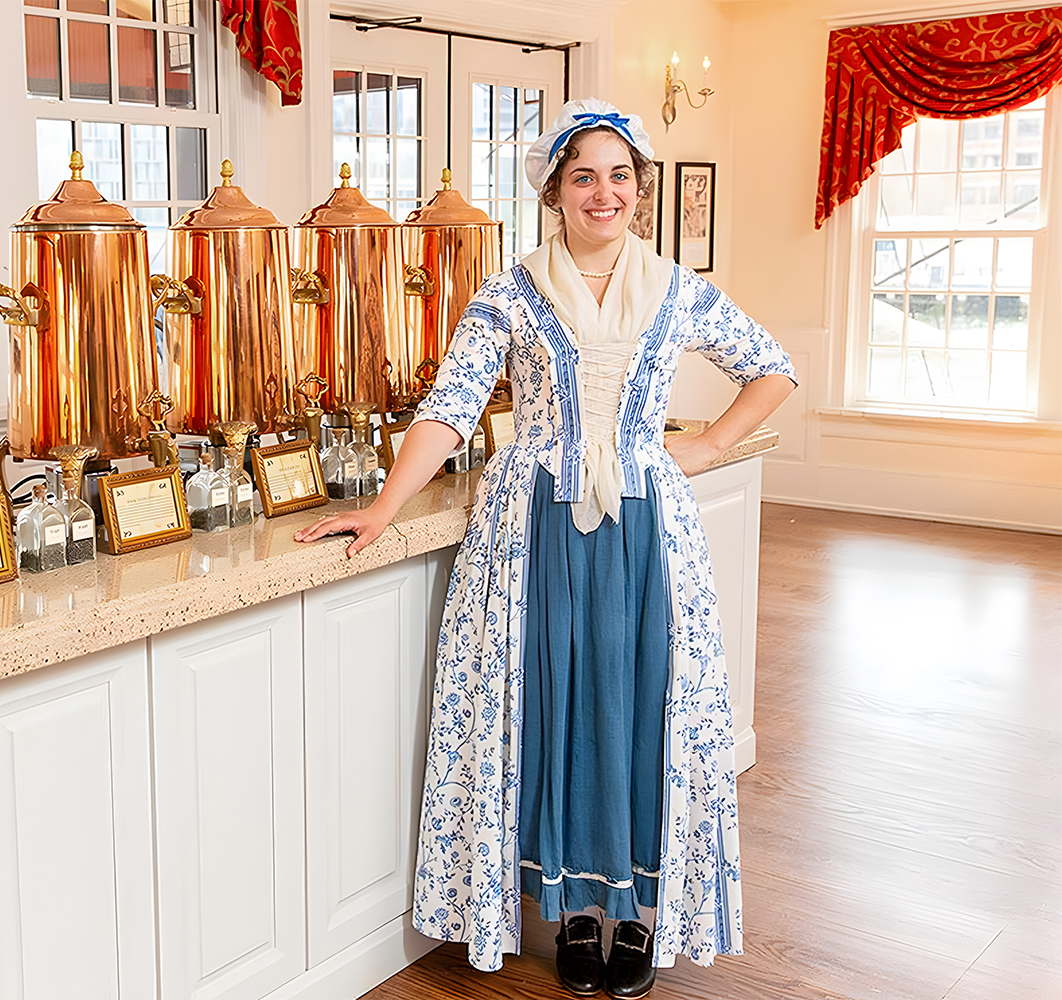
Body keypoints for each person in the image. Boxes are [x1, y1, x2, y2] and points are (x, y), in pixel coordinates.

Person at [295, 99, 797, 997]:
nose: (602, 193)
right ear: (554, 194)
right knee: (551, 708)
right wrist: (381, 508)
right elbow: (450, 408)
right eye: (582, 177)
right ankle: (568, 911)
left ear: (641, 190)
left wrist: (711, 445)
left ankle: (637, 914)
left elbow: (773, 366)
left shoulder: (679, 292)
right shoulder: (510, 293)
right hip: (531, 530)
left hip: (647, 529)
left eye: (617, 175)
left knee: (644, 706)